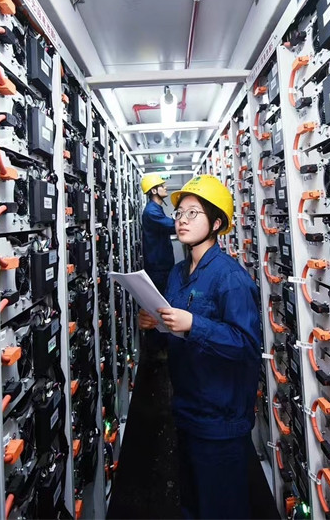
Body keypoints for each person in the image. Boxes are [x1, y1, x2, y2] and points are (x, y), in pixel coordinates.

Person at [139, 175, 261, 519]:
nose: (181, 220)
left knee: (221, 508)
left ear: (217, 223)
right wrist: (158, 324)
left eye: (193, 213)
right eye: (179, 213)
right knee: (191, 503)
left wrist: (195, 324)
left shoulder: (231, 279)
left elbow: (247, 346)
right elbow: (175, 331)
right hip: (187, 408)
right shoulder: (177, 273)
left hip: (220, 420)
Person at [139, 173, 176, 295]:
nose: (165, 188)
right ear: (154, 190)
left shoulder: (156, 209)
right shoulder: (151, 212)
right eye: (162, 186)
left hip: (161, 265)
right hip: (158, 268)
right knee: (162, 301)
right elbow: (172, 226)